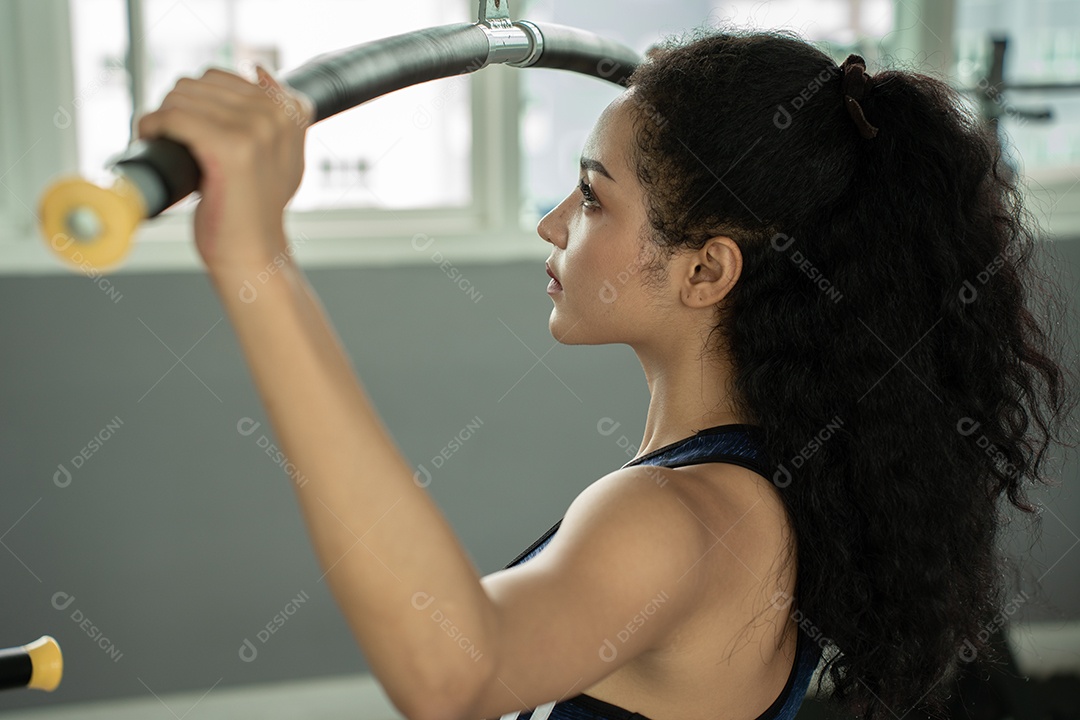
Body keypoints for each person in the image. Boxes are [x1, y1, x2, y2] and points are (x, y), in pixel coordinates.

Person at [135, 23, 1078, 720]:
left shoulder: (682, 520)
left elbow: (450, 671)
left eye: (590, 198)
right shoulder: (750, 486)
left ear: (706, 269)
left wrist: (255, 254)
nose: (552, 225)